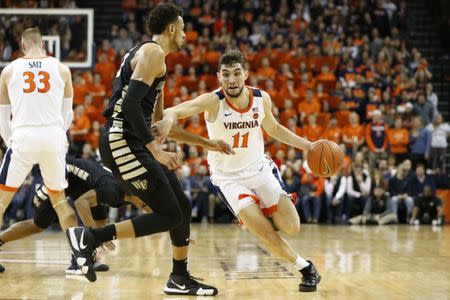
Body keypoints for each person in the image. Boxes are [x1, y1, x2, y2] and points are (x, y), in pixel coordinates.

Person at [65, 3, 228, 296]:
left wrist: (207, 143)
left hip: (132, 140)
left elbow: (160, 125)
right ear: (171, 28)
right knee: (168, 215)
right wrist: (156, 151)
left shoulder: (156, 64)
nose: (186, 35)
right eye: (183, 29)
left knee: (182, 207)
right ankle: (89, 236)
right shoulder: (152, 53)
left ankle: (179, 278)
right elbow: (128, 106)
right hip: (121, 140)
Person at [153, 50, 321, 292]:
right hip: (228, 178)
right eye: (226, 74)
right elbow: (176, 110)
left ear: (246, 74)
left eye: (236, 74)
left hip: (259, 170)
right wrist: (168, 119)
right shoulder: (214, 101)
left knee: (292, 227)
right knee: (264, 232)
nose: (231, 80)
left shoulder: (261, 98)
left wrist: (307, 145)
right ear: (219, 77)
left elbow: (273, 128)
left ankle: (266, 211)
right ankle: (306, 268)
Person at [0, 28, 77, 259]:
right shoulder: (62, 69)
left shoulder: (9, 70)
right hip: (53, 137)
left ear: (23, 46)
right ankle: (80, 256)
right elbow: (68, 114)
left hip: (23, 137)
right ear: (44, 45)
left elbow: (3, 116)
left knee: (2, 200)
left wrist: (11, 142)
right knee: (60, 202)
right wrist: (58, 137)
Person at [0, 156, 151, 274]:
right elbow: (81, 203)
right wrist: (94, 235)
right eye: (145, 201)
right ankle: (77, 261)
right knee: (38, 225)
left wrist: (100, 236)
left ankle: (88, 257)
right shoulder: (113, 189)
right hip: (63, 175)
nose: (146, 203)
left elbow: (99, 216)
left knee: (100, 220)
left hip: (82, 185)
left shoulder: (123, 191)